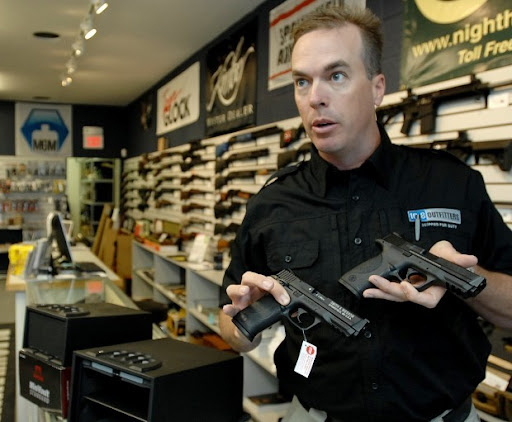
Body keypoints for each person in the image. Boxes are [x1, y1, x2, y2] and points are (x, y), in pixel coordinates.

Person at [219, 6, 512, 422]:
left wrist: (460, 277)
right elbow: (232, 328)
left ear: (377, 89)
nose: (315, 97)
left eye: (336, 75)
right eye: (302, 81)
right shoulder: (272, 203)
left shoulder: (452, 183)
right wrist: (240, 323)